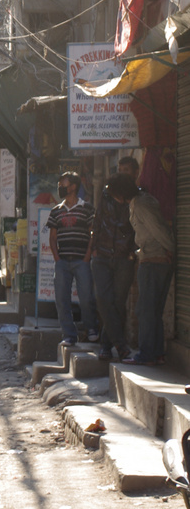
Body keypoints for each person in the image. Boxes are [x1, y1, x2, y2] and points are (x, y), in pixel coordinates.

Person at [107, 173, 174, 366]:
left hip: (154, 260)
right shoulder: (142, 200)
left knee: (145, 310)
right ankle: (157, 353)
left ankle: (146, 354)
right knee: (153, 311)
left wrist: (170, 249)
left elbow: (159, 229)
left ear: (119, 194)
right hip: (155, 258)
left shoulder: (140, 204)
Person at [90, 157, 140, 361]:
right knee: (103, 299)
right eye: (120, 169)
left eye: (126, 170)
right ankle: (120, 346)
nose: (122, 173)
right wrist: (93, 249)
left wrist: (132, 251)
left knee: (117, 303)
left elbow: (138, 227)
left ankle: (105, 345)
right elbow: (98, 219)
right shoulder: (107, 193)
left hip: (123, 258)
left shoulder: (138, 197)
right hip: (101, 256)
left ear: (136, 172)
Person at [47, 172, 99, 346]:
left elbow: (93, 234)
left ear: (73, 187)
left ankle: (91, 328)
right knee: (62, 300)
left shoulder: (87, 208)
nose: (61, 186)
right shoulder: (56, 211)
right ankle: (69, 335)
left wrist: (86, 257)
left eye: (64, 183)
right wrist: (57, 259)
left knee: (86, 298)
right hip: (63, 262)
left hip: (81, 261)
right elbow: (52, 237)